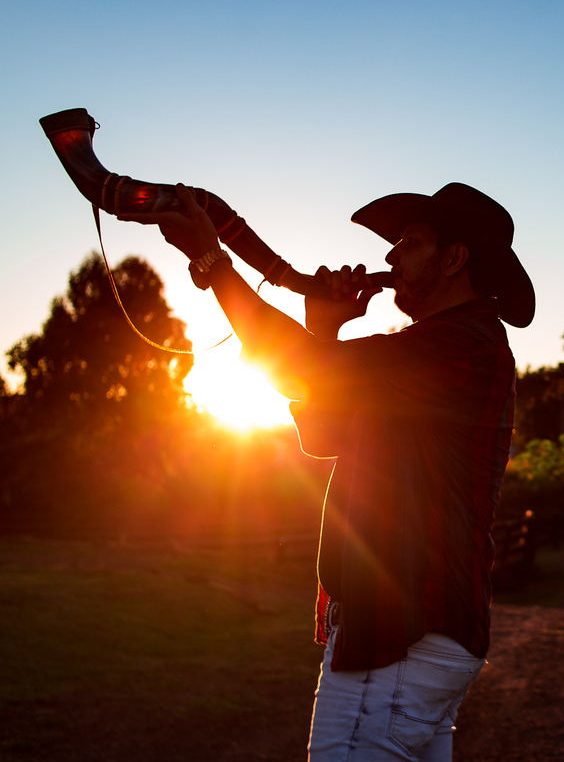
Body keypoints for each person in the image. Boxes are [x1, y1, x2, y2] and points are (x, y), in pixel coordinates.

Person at [122, 181, 534, 762]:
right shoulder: (426, 351)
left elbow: (299, 368)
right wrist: (326, 328)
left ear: (455, 258)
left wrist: (213, 262)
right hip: (412, 635)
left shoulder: (462, 346)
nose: (390, 257)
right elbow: (324, 435)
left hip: (402, 633)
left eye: (410, 241)